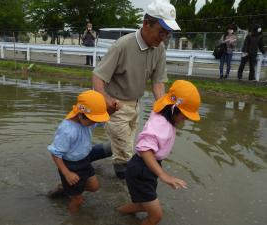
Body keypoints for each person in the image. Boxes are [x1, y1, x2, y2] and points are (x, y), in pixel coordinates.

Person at [92, 0, 181, 179]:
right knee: (125, 154)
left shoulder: (159, 48)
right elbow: (98, 76)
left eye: (167, 33)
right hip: (115, 105)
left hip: (135, 105)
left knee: (122, 146)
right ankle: (125, 189)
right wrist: (104, 98)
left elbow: (157, 83)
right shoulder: (123, 45)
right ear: (146, 24)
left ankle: (82, 158)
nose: (163, 37)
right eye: (161, 31)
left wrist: (165, 110)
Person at [117, 80, 201, 225]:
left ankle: (117, 213)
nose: (187, 119)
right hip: (142, 169)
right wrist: (163, 175)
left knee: (142, 205)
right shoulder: (161, 124)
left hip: (144, 168)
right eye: (185, 115)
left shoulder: (162, 110)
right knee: (156, 217)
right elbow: (145, 149)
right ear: (174, 109)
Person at [47, 90, 110, 213]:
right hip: (71, 166)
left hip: (84, 160)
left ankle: (66, 189)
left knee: (94, 187)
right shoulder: (67, 130)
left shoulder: (86, 120)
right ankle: (73, 218)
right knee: (78, 200)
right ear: (81, 115)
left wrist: (112, 110)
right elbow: (55, 153)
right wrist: (67, 173)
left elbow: (99, 118)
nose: (96, 123)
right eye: (94, 120)